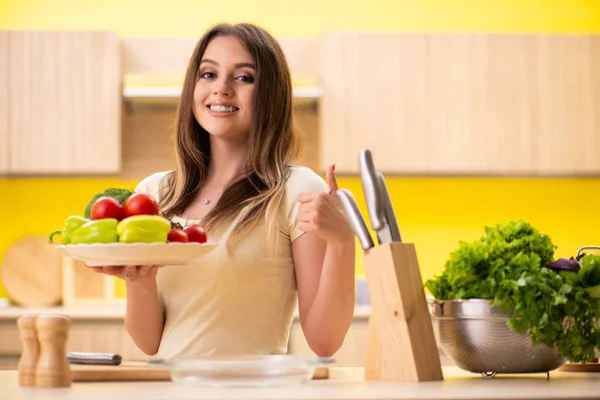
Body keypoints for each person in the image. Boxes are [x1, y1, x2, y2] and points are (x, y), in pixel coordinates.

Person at [92, 22, 356, 360]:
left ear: (270, 95)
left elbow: (325, 341)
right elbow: (149, 343)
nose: (222, 89)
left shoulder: (296, 191)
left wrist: (342, 242)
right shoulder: (155, 194)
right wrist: (138, 279)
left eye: (244, 77)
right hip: (169, 390)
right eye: (208, 74)